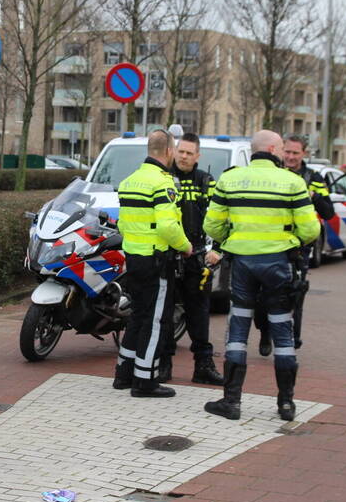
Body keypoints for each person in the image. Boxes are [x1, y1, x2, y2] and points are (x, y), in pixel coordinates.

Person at [203, 130, 320, 421]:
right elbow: (311, 230)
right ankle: (286, 404)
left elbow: (212, 225)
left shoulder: (229, 180)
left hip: (242, 264)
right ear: (271, 148)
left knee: (238, 328)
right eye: (282, 148)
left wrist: (234, 239)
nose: (284, 154)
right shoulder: (293, 182)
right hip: (278, 264)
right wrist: (289, 242)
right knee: (282, 328)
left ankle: (231, 402)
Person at [113, 129, 193, 398]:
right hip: (157, 260)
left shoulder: (129, 181)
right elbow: (169, 226)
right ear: (169, 151)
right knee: (156, 320)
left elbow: (123, 223)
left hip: (133, 259)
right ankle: (145, 381)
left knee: (138, 315)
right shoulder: (164, 183)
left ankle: (124, 373)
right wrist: (185, 246)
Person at [256, 134, 335, 356]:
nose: (290, 157)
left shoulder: (315, 178)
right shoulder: (273, 174)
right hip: (271, 244)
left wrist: (314, 197)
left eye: (295, 153)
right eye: (287, 152)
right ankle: (264, 332)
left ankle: (293, 338)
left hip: (299, 248)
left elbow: (329, 212)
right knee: (262, 296)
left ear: (304, 154)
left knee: (296, 293)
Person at [165, 133, 224, 386]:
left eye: (190, 153)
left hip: (197, 258)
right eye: (181, 151)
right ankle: (162, 366)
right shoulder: (165, 178)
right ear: (174, 151)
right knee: (165, 314)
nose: (184, 156)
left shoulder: (206, 181)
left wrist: (218, 249)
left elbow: (221, 216)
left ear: (198, 156)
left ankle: (204, 366)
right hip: (168, 256)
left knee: (198, 315)